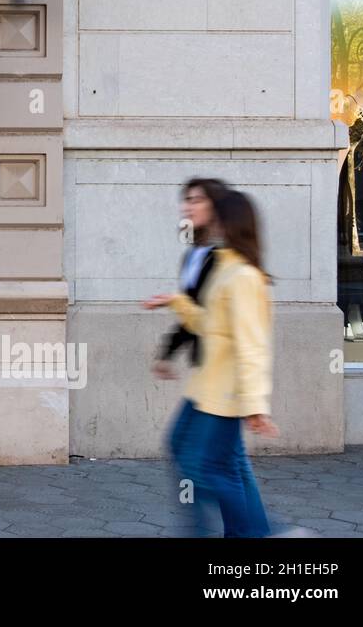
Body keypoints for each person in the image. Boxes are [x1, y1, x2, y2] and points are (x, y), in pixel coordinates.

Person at [144, 189, 278, 538]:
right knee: (194, 455)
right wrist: (176, 302)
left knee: (209, 469)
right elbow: (209, 325)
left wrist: (254, 404)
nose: (209, 219)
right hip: (204, 388)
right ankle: (247, 533)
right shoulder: (224, 268)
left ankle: (253, 534)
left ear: (231, 221)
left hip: (226, 394)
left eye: (215, 213)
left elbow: (253, 345)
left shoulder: (246, 277)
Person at [152, 178, 228, 380]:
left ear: (216, 207)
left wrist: (174, 301)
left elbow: (216, 317)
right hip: (203, 365)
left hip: (226, 368)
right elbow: (192, 312)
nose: (187, 207)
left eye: (197, 200)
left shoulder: (227, 257)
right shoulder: (191, 256)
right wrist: (167, 354)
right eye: (187, 200)